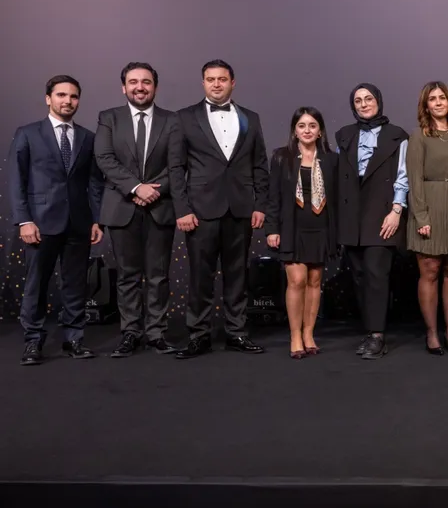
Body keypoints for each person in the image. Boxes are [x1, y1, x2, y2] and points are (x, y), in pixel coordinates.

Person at [172, 59, 269, 359]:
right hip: (200, 211)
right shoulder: (184, 117)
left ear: (232, 82)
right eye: (211, 79)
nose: (216, 84)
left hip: (240, 209)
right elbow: (176, 168)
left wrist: (260, 205)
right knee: (200, 277)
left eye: (222, 79)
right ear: (203, 83)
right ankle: (198, 335)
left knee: (237, 275)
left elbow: (259, 165)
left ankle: (237, 333)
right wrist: (182, 209)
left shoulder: (251, 118)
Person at [10, 75, 104, 365]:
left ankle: (74, 339)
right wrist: (24, 220)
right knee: (36, 284)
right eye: (61, 95)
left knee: (75, 284)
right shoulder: (28, 133)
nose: (68, 101)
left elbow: (94, 183)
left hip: (79, 223)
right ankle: (33, 341)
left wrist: (97, 220)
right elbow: (16, 180)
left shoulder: (88, 137)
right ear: (48, 98)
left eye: (73, 96)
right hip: (39, 223)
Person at [94, 62, 183, 357]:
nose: (140, 87)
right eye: (133, 82)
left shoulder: (172, 120)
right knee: (127, 275)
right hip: (122, 207)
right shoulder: (109, 118)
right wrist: (136, 188)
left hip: (161, 206)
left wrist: (153, 190)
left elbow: (178, 164)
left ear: (155, 87)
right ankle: (130, 332)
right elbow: (105, 159)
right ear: (124, 87)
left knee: (158, 275)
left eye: (146, 82)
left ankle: (156, 333)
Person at [335, 83, 409, 360]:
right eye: (358, 100)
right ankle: (369, 332)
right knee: (359, 277)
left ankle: (377, 336)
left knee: (377, 275)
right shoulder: (344, 135)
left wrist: (396, 210)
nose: (364, 104)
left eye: (368, 99)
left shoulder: (397, 135)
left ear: (378, 101)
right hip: (351, 215)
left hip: (382, 213)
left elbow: (402, 175)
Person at [266, 107, 339, 359]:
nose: (307, 130)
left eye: (312, 125)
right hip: (291, 227)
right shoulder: (281, 157)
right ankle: (295, 335)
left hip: (321, 227)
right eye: (301, 126)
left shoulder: (331, 159)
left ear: (320, 131)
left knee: (314, 282)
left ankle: (309, 334)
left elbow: (337, 199)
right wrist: (272, 229)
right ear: (294, 131)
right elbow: (273, 196)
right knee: (297, 281)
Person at [408, 81, 448, 355]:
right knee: (430, 272)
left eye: (442, 97)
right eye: (432, 99)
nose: (438, 102)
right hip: (428, 207)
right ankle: (432, 334)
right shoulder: (419, 136)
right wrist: (421, 217)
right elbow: (414, 180)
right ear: (426, 106)